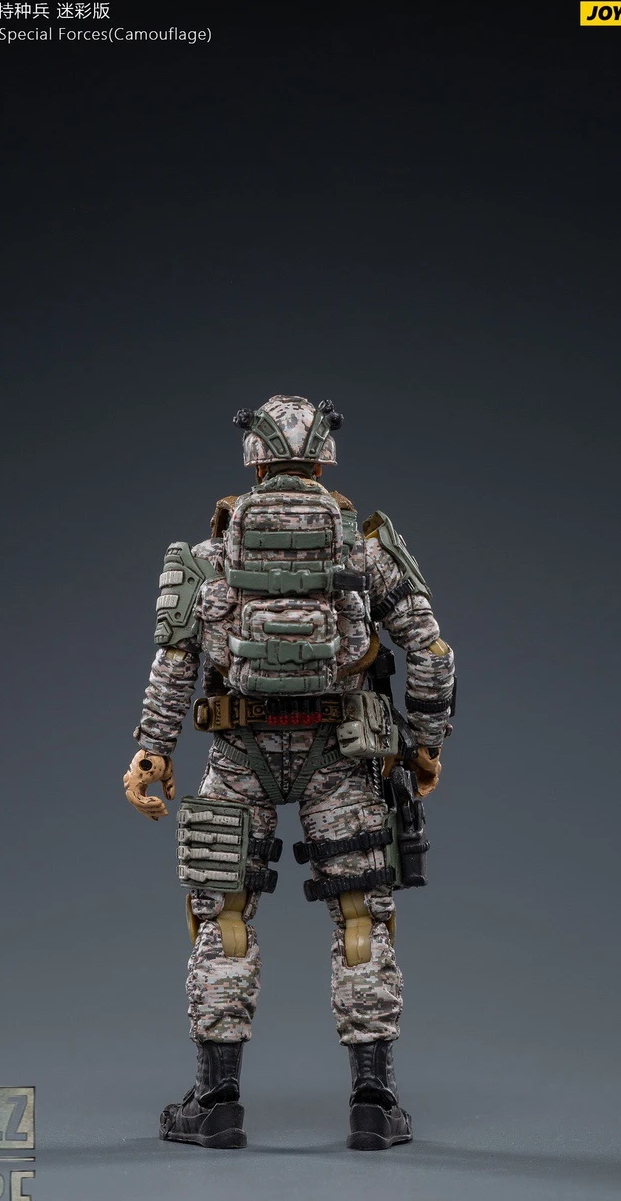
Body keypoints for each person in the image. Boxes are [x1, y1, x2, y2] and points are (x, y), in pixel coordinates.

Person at [123, 395, 455, 1149]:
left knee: (224, 915)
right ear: (324, 458)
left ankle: (216, 1102)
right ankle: (373, 1103)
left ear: (255, 460)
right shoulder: (364, 552)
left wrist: (153, 749)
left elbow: (174, 662)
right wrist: (427, 742)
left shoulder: (209, 555)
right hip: (342, 755)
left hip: (238, 754)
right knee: (363, 916)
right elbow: (432, 652)